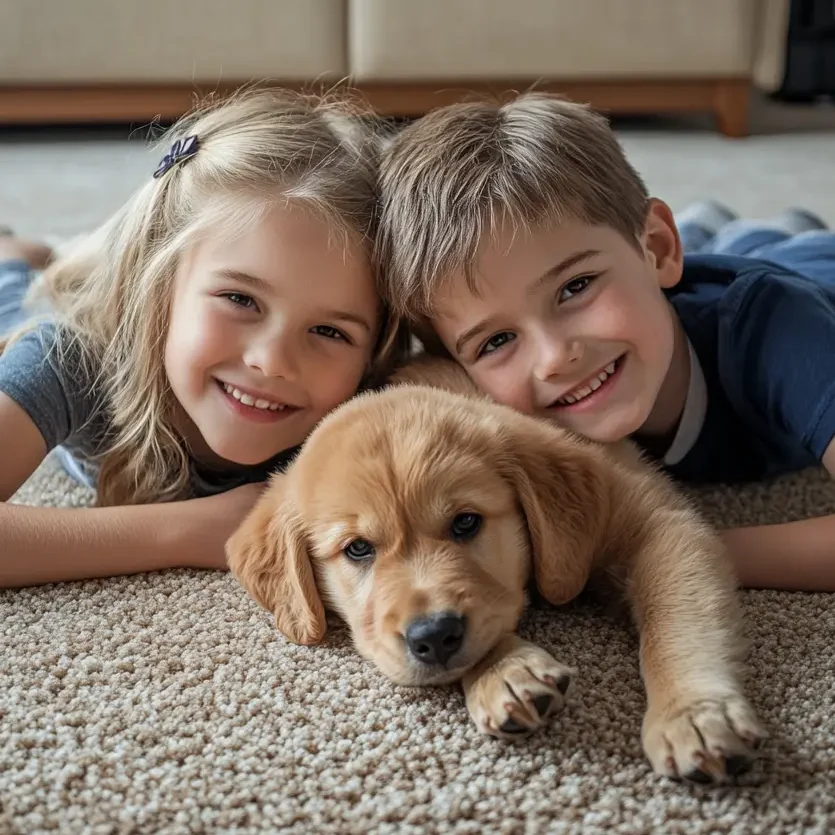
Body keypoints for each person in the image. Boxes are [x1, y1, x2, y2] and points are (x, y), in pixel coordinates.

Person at [375, 92, 835, 592]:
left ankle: (752, 228)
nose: (555, 358)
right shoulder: (495, 400)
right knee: (707, 246)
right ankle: (707, 228)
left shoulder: (778, 328)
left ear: (658, 250)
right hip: (687, 270)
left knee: (789, 243)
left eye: (575, 287)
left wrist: (671, 548)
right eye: (497, 340)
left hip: (806, 274)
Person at [0, 88, 407, 587]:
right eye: (240, 299)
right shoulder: (66, 360)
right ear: (157, 283)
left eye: (329, 331)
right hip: (78, 316)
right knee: (21, 299)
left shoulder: (367, 400)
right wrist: (189, 532)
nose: (271, 361)